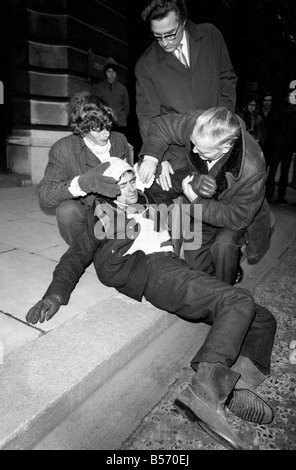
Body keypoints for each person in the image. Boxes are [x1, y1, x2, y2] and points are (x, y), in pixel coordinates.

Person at [26, 157, 277, 450]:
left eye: (132, 180)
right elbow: (74, 257)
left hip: (177, 267)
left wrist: (175, 172)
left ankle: (234, 386)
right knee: (238, 299)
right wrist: (54, 295)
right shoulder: (104, 217)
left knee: (262, 318)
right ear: (106, 189)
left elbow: (180, 179)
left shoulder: (150, 204)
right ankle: (205, 393)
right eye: (121, 184)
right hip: (153, 272)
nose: (130, 188)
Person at [138, 107, 272, 285]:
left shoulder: (252, 169)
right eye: (193, 144)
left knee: (223, 246)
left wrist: (195, 200)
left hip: (234, 211)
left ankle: (225, 292)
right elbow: (161, 126)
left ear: (225, 147)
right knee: (194, 257)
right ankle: (207, 284)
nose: (193, 152)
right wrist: (151, 158)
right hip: (205, 202)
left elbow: (237, 218)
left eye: (202, 151)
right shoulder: (199, 125)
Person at [135, 0, 237, 178]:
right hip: (179, 155)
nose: (165, 43)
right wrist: (161, 157)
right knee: (186, 206)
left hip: (218, 143)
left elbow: (226, 79)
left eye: (170, 34)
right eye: (157, 36)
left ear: (182, 22)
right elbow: (148, 116)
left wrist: (222, 124)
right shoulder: (146, 65)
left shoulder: (210, 35)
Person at [37, 92, 131, 245]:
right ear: (83, 128)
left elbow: (130, 177)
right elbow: (45, 195)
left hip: (117, 207)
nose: (106, 134)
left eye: (108, 126)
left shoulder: (119, 140)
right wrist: (82, 183)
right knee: (66, 211)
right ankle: (82, 249)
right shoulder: (63, 148)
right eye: (98, 129)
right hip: (87, 209)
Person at [265, 89, 296, 204]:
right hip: (277, 145)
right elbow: (275, 122)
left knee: (284, 172)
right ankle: (269, 195)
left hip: (287, 147)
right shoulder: (280, 108)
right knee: (272, 171)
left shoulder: (294, 110)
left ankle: (281, 197)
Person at [92, 58, 130, 139]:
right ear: (105, 73)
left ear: (116, 73)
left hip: (120, 124)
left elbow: (126, 107)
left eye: (114, 72)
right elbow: (95, 106)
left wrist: (120, 118)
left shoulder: (122, 89)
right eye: (109, 71)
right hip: (103, 123)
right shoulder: (99, 88)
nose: (111, 74)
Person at [258, 92, 276, 168]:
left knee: (267, 164)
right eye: (265, 100)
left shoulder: (274, 113)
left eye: (269, 100)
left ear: (271, 102)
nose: (267, 102)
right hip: (259, 142)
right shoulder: (258, 112)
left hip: (270, 143)